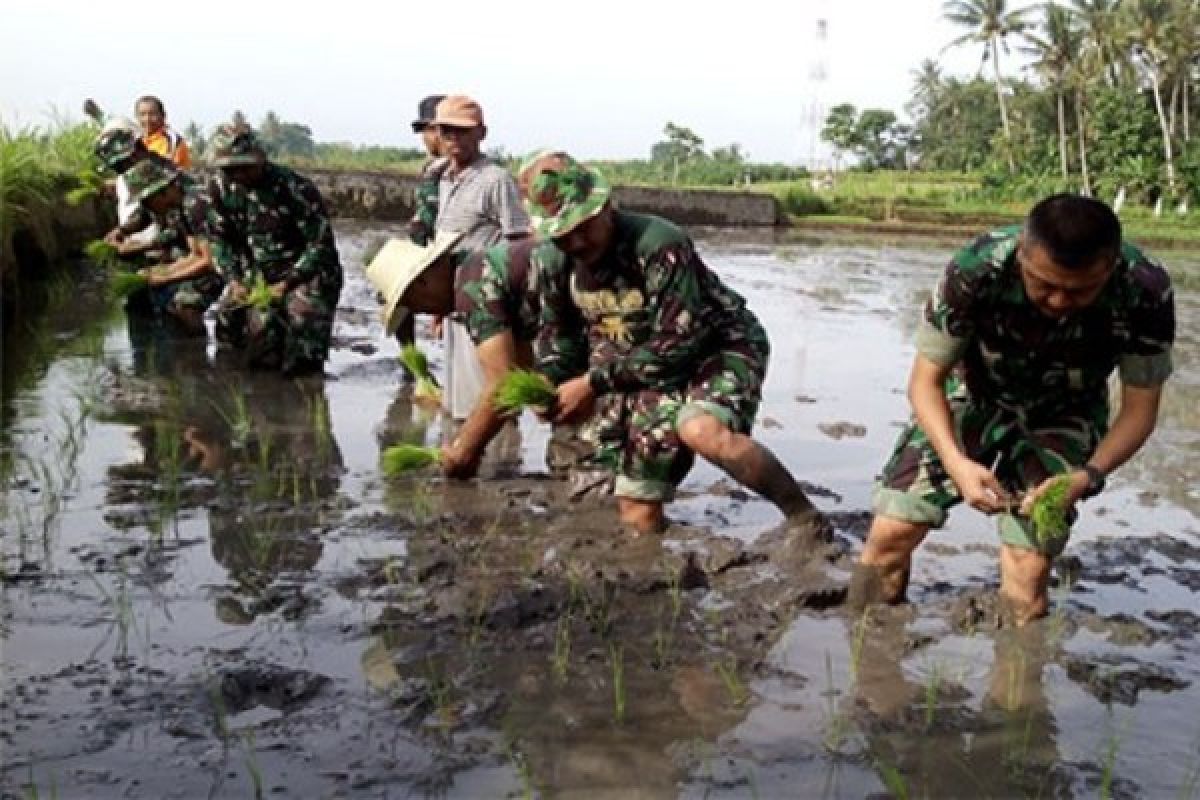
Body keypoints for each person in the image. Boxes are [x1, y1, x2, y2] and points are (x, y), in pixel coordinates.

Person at [850, 194, 1175, 624]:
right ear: (1022, 253)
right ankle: (863, 655)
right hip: (973, 395)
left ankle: (1016, 681)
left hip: (1067, 411)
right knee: (893, 530)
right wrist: (956, 462)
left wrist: (1087, 476)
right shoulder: (975, 269)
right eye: (1044, 284)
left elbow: (1139, 410)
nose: (1058, 301)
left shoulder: (1145, 291)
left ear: (1110, 267)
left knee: (1029, 561)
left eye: (1078, 290)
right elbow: (925, 382)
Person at [526, 151, 823, 536]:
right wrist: (550, 386)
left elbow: (676, 345)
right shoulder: (551, 263)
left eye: (584, 226)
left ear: (606, 207)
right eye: (564, 234)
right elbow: (558, 336)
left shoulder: (658, 244)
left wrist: (591, 384)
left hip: (712, 344)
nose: (577, 241)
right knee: (635, 510)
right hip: (627, 357)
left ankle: (802, 516)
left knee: (700, 430)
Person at [368, 232, 590, 480]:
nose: (421, 312)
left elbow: (501, 382)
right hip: (579, 318)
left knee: (576, 457)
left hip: (596, 300)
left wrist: (465, 448)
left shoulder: (474, 291)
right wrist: (536, 391)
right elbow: (519, 359)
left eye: (413, 304)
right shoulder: (476, 267)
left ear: (422, 282)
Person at [202, 125, 343, 375]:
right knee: (232, 320)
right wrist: (234, 279)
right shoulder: (220, 189)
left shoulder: (295, 188)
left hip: (307, 272)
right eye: (232, 170)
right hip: (258, 272)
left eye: (246, 167)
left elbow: (319, 245)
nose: (240, 175)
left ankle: (307, 393)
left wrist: (288, 283)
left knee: (301, 328)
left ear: (261, 161)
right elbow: (220, 241)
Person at [429, 94, 531, 419]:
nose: (454, 139)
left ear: (481, 134)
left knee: (490, 398)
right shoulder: (444, 178)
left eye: (462, 131)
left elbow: (519, 244)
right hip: (455, 302)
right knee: (459, 401)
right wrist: (437, 305)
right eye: (447, 132)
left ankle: (499, 464)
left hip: (488, 303)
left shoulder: (495, 180)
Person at [120, 159, 225, 333]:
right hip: (217, 263)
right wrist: (160, 271)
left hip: (230, 264)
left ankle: (206, 346)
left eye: (147, 201)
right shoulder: (179, 209)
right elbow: (194, 254)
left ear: (161, 192)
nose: (148, 208)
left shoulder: (195, 204)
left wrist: (165, 277)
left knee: (186, 304)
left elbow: (208, 261)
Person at [92, 118, 177, 258]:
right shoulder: (135, 174)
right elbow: (146, 212)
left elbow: (177, 227)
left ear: (136, 151)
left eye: (121, 164)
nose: (122, 170)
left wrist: (140, 247)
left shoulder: (162, 173)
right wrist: (122, 231)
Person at [135, 95, 191, 168]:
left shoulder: (173, 140)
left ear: (163, 116)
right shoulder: (135, 141)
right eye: (142, 114)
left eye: (152, 114)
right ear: (137, 117)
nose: (147, 119)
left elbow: (169, 172)